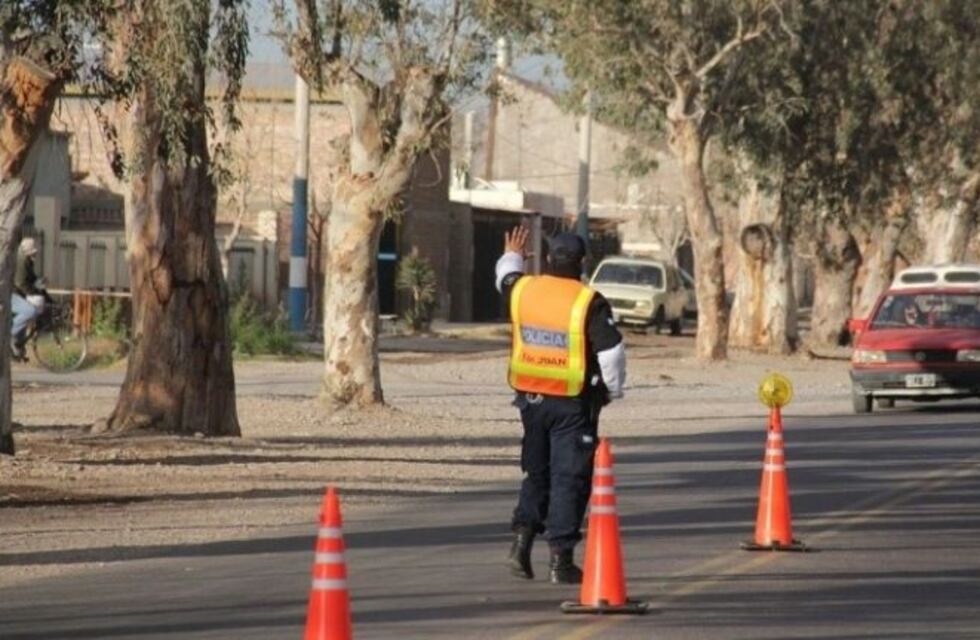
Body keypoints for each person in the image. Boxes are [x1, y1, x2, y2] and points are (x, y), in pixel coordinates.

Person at [496, 226, 626, 584]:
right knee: (569, 479)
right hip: (572, 404)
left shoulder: (524, 290)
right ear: (582, 263)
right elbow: (611, 353)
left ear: (550, 259)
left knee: (537, 474)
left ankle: (521, 542)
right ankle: (561, 561)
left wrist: (513, 255)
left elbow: (505, 278)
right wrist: (612, 391)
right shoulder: (588, 300)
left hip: (531, 401)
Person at [10, 237, 45, 360]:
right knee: (31, 311)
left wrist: (40, 285)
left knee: (24, 319)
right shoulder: (21, 261)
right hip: (9, 293)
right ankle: (8, 334)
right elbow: (21, 283)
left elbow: (32, 278)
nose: (35, 254)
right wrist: (34, 292)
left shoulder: (27, 260)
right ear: (26, 251)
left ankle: (16, 349)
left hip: (16, 293)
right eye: (33, 252)